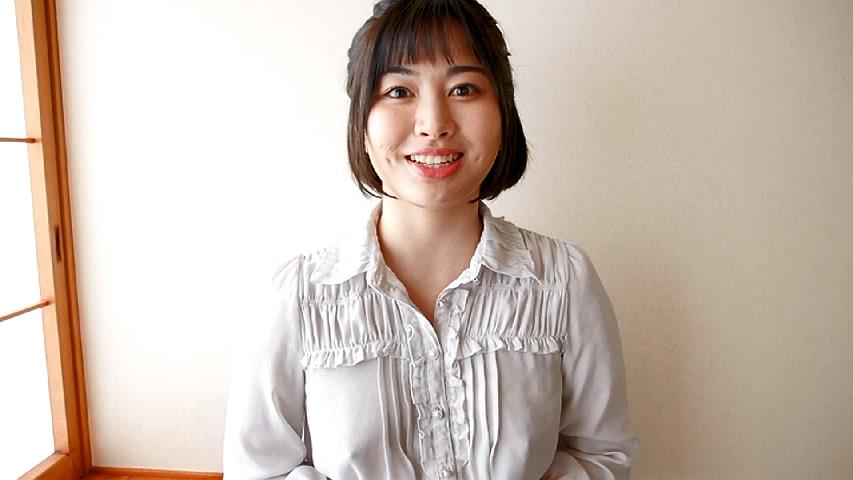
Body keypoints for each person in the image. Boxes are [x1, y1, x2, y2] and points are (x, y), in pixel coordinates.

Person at [223, 0, 639, 478]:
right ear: (362, 122)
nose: (433, 123)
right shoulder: (298, 293)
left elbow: (601, 456)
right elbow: (258, 470)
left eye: (463, 88)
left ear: (503, 113)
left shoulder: (563, 279)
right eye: (398, 91)